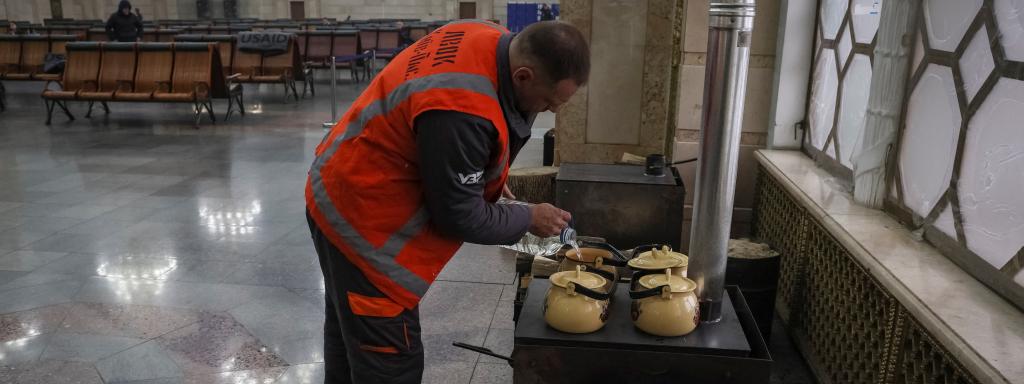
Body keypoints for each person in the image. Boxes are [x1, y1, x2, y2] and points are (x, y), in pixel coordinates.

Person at [306, 20, 589, 383]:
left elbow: (443, 140)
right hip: (363, 222)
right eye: (550, 102)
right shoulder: (463, 110)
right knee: (389, 362)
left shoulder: (483, 34)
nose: (551, 111)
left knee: (350, 336)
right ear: (522, 76)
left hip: (338, 179)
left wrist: (481, 173)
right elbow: (458, 217)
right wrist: (528, 216)